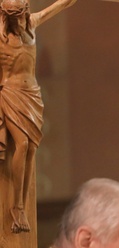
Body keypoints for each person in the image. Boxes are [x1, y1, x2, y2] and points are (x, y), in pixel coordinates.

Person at [0, 0, 77, 233]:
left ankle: (20, 204)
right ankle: (17, 207)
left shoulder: (32, 23)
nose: (18, 20)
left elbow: (64, 4)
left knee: (32, 148)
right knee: (22, 144)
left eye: (20, 15)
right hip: (11, 93)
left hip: (32, 94)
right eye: (12, 17)